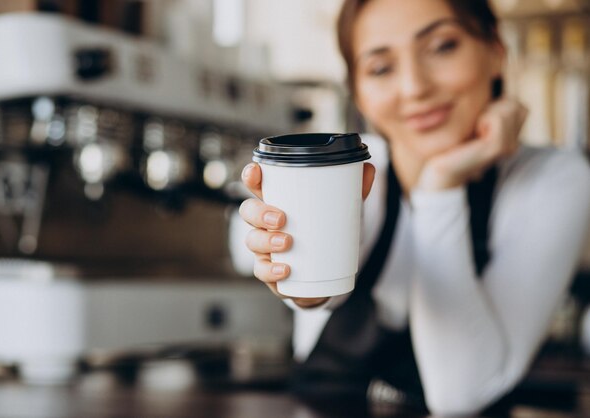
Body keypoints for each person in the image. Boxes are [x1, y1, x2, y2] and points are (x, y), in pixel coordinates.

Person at [235, 0, 590, 415]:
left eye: (442, 47)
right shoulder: (351, 175)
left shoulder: (555, 180)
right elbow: (315, 289)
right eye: (381, 68)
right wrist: (296, 280)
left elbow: (462, 394)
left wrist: (441, 182)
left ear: (496, 51)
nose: (414, 87)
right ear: (360, 94)